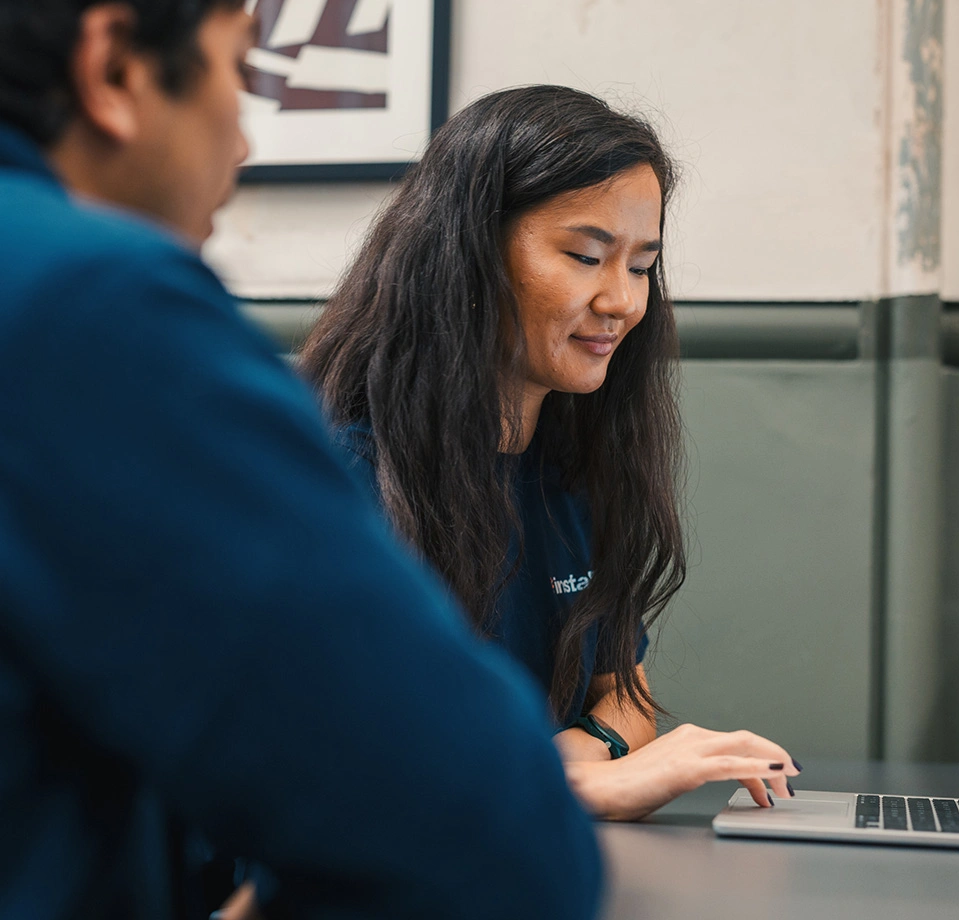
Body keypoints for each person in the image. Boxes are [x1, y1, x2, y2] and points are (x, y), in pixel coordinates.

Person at [0, 0, 605, 918]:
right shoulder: (92, 303)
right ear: (113, 67)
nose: (242, 139)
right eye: (238, 72)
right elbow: (488, 828)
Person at [301, 85, 802, 821]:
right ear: (469, 254)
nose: (622, 302)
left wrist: (577, 754)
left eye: (639, 267)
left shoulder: (577, 466)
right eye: (587, 256)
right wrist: (569, 784)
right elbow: (339, 763)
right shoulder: (344, 477)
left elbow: (624, 693)